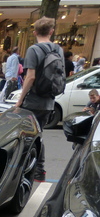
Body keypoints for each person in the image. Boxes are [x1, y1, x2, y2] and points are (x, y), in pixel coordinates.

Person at [14, 16, 65, 183]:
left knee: (27, 137)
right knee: (38, 135)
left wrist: (20, 100)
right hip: (49, 102)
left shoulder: (33, 50)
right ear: (51, 32)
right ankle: (39, 171)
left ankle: (24, 171)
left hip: (33, 101)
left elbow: (30, 77)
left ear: (34, 32)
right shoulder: (58, 50)